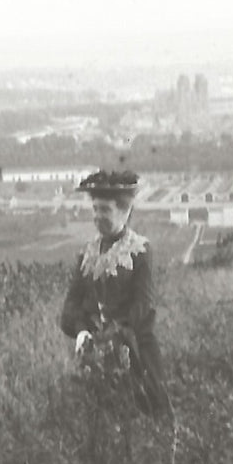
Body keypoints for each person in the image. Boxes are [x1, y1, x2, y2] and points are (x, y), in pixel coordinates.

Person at [60, 169, 174, 421]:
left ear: (124, 212)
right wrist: (83, 330)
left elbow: (143, 303)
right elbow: (70, 307)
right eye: (95, 209)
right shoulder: (87, 254)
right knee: (99, 420)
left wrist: (116, 332)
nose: (98, 216)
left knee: (147, 413)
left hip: (134, 349)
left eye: (105, 210)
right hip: (95, 352)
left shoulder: (139, 251)